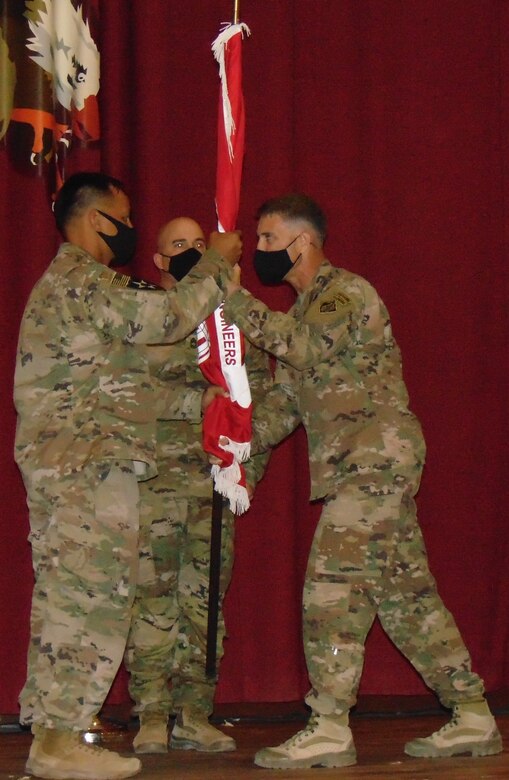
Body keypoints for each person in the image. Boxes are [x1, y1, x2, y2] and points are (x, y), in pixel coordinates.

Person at [221, 193, 502, 770]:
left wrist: (228, 297)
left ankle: (328, 724)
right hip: (361, 466)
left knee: (331, 589)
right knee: (407, 599)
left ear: (303, 241)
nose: (260, 250)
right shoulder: (299, 313)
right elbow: (284, 407)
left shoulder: (343, 294)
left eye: (269, 239)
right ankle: (473, 714)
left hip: (375, 460)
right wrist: (236, 450)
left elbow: (298, 349)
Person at [13, 172, 241, 780]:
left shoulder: (79, 289)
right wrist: (214, 265)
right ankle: (58, 741)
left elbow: (129, 387)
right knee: (85, 600)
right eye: (125, 215)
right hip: (83, 464)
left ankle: (54, 734)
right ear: (95, 220)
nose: (131, 228)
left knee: (75, 597)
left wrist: (210, 406)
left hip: (90, 459)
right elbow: (166, 318)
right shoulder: (81, 281)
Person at [124, 217, 271, 755]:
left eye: (199, 245)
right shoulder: (144, 317)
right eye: (178, 246)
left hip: (212, 484)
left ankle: (194, 711)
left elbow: (259, 401)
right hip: (156, 484)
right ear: (160, 262)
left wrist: (243, 465)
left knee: (206, 603)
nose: (189, 251)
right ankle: (152, 713)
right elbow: (127, 396)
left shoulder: (228, 324)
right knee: (152, 601)